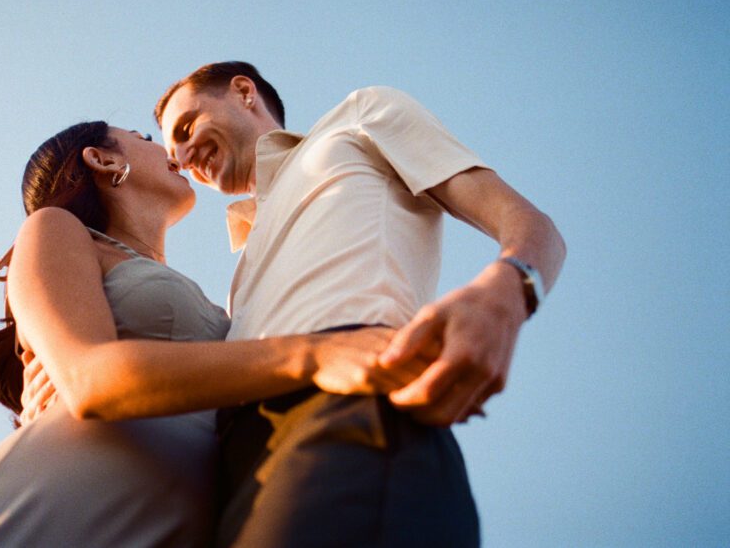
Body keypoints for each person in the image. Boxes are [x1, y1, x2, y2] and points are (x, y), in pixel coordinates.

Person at [0, 121, 428, 547]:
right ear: (104, 160)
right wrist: (316, 355)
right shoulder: (54, 229)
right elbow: (91, 380)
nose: (171, 150)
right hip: (55, 509)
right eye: (143, 134)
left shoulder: (217, 299)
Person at [153, 61, 567, 547]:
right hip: (240, 468)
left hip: (346, 416)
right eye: (172, 153)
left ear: (243, 92)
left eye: (186, 128)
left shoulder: (358, 117)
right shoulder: (245, 256)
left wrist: (507, 291)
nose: (180, 156)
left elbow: (529, 224)